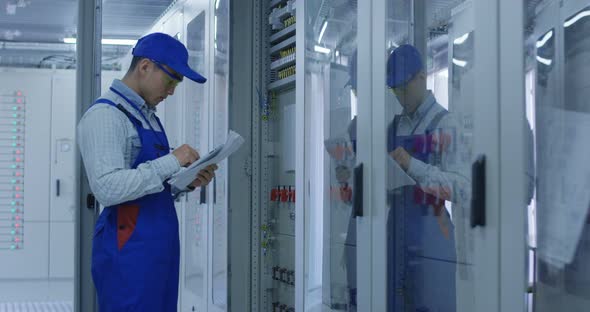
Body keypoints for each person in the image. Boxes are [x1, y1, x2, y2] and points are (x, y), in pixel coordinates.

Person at [78, 32, 218, 311]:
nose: (171, 91)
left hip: (158, 248)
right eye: (170, 80)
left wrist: (186, 182)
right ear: (144, 67)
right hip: (129, 251)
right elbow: (107, 187)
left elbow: (149, 185)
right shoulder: (106, 116)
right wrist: (172, 160)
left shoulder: (147, 116)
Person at [385, 44, 470, 312]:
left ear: (422, 77)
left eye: (404, 86)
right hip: (395, 241)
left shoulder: (446, 123)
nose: (400, 95)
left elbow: (463, 188)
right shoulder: (392, 128)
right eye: (394, 89)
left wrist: (413, 166)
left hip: (433, 244)